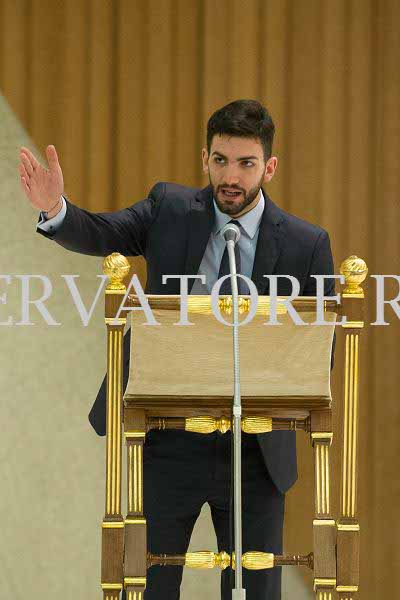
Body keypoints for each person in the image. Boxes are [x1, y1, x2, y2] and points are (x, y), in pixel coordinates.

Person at [19, 99, 335, 600]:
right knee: (150, 586)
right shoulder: (168, 209)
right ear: (205, 158)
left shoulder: (306, 244)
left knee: (258, 591)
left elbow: (319, 353)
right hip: (168, 435)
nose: (231, 177)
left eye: (246, 163)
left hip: (256, 451)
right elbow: (102, 232)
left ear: (269, 167)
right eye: (220, 160)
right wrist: (56, 209)